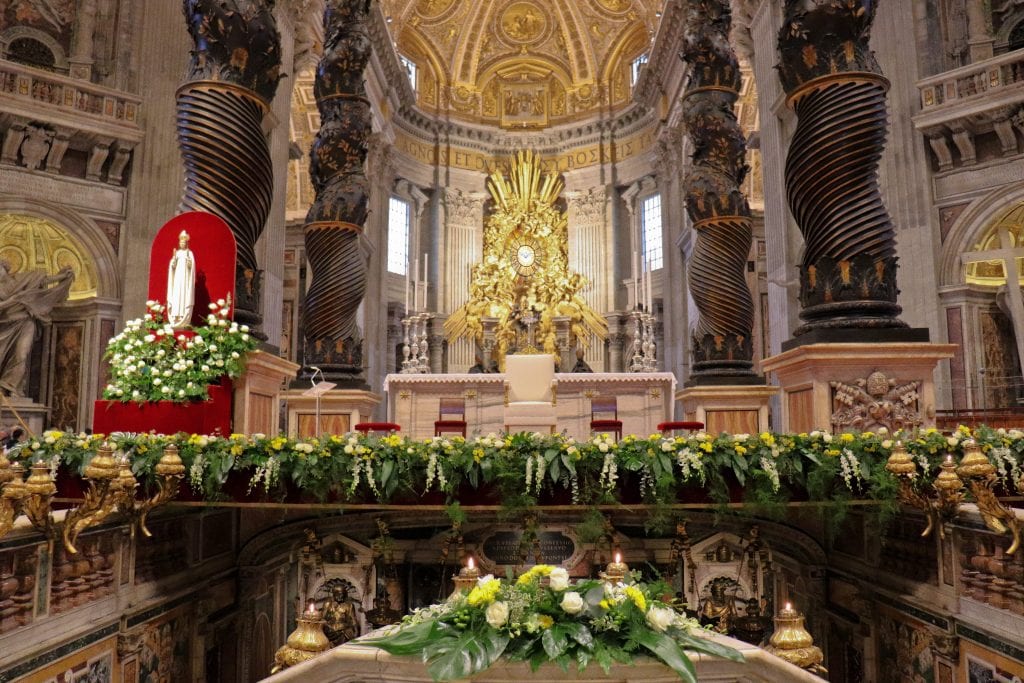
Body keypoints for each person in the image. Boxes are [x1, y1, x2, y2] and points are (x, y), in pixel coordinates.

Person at [0, 262, 74, 396]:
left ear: (5, 267)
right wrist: (12, 301)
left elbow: (42, 280)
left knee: (21, 354)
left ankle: (10, 387)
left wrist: (62, 277)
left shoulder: (23, 278)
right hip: (4, 326)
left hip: (25, 321)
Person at [166, 230, 196, 328]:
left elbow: (192, 267)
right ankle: (175, 316)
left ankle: (183, 315)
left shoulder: (189, 253)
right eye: (181, 242)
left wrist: (189, 263)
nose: (182, 244)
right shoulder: (177, 253)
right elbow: (172, 267)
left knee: (183, 296)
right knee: (177, 295)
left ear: (186, 243)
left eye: (184, 243)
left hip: (185, 279)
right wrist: (173, 263)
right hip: (177, 279)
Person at [322, 582, 360, 646]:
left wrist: (356, 631)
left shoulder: (349, 605)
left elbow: (353, 620)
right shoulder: (328, 604)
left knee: (347, 635)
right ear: (334, 594)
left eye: (342, 594)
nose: (341, 596)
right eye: (339, 594)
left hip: (343, 630)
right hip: (330, 630)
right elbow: (322, 618)